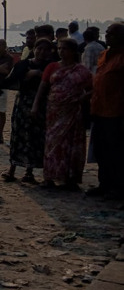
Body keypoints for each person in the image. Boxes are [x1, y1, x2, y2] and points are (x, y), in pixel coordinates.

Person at [32, 38, 93, 190]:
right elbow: (43, 87)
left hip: (72, 112)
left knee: (71, 144)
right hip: (54, 110)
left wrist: (81, 98)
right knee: (52, 143)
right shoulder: (52, 67)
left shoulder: (81, 71)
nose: (61, 51)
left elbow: (92, 89)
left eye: (64, 49)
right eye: (59, 48)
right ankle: (50, 177)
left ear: (73, 51)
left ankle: (70, 179)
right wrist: (35, 105)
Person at [0, 39, 55, 183]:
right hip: (23, 103)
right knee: (18, 135)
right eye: (39, 49)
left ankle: (29, 171)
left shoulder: (51, 67)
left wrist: (39, 74)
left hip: (41, 104)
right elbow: (11, 80)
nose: (42, 52)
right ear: (34, 49)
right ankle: (12, 169)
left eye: (46, 50)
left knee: (35, 137)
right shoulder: (23, 64)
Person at [85, 22, 124, 200]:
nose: (107, 36)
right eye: (107, 33)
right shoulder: (104, 55)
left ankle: (117, 187)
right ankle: (104, 183)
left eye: (112, 34)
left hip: (116, 112)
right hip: (99, 109)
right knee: (100, 149)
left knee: (115, 151)